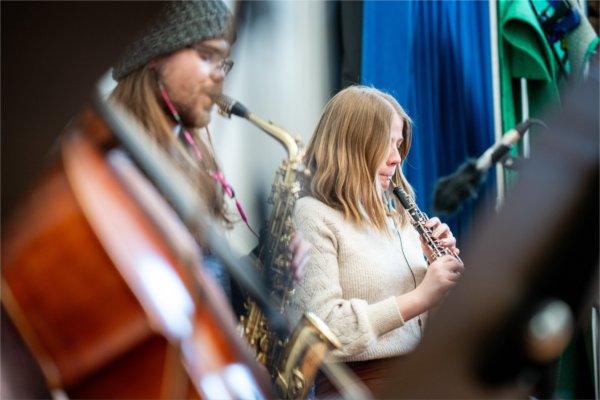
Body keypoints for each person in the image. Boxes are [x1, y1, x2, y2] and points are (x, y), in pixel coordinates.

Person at [109, 0, 308, 317]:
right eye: (206, 56)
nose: (219, 76)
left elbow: (213, 280)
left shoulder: (191, 152)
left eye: (224, 62)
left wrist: (265, 266)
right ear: (154, 57)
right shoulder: (111, 165)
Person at [292, 85, 465, 396]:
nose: (397, 159)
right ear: (353, 145)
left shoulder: (399, 218)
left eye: (399, 146)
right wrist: (422, 296)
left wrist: (439, 274)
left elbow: (424, 326)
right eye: (387, 145)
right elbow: (324, 331)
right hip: (360, 387)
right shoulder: (312, 215)